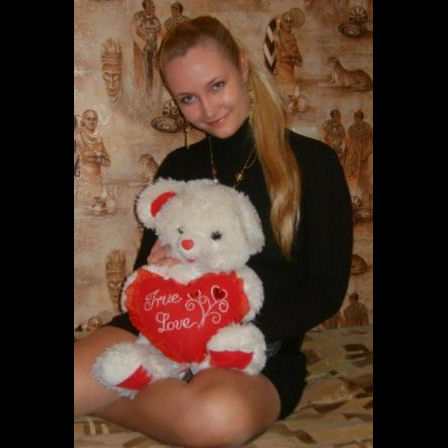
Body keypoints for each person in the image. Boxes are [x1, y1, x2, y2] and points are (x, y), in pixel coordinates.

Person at [74, 16, 353, 447]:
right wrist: (155, 271)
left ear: (242, 66)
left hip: (255, 347)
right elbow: (143, 284)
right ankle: (126, 392)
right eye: (188, 98)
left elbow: (326, 290)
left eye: (216, 86)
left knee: (214, 421)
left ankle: (109, 396)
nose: (207, 109)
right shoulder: (178, 167)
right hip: (161, 330)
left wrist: (233, 331)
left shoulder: (314, 163)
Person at [131, 0, 162, 98]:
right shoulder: (138, 18)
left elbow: (159, 34)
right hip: (142, 50)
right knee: (143, 73)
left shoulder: (155, 19)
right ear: (145, 7)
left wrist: (158, 47)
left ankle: (152, 95)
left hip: (153, 49)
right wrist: (144, 45)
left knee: (153, 73)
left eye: (153, 6)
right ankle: (142, 95)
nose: (153, 8)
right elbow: (134, 33)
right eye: (151, 6)